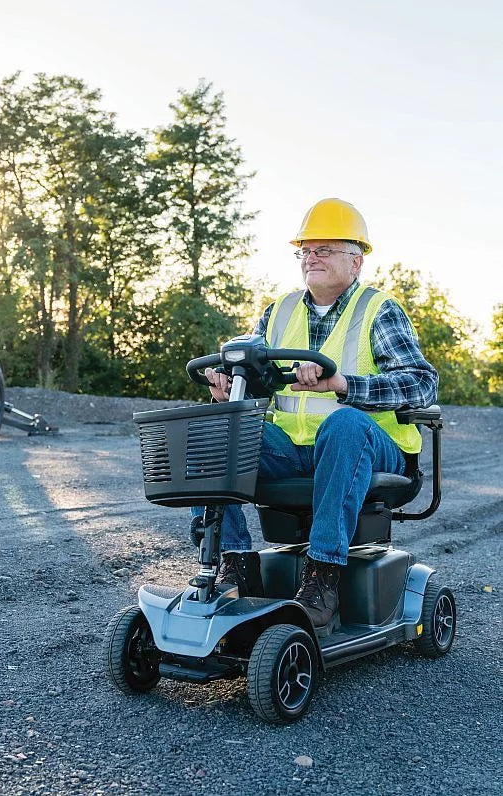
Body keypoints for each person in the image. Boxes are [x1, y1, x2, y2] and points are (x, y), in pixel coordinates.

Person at [193, 198, 438, 632]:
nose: (312, 256)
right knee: (218, 430)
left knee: (341, 422)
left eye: (325, 249)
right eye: (307, 249)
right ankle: (233, 563)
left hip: (373, 451)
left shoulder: (379, 310)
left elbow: (421, 383)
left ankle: (322, 576)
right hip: (293, 451)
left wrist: (344, 385)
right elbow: (255, 381)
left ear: (356, 260)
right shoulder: (278, 311)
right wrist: (228, 390)